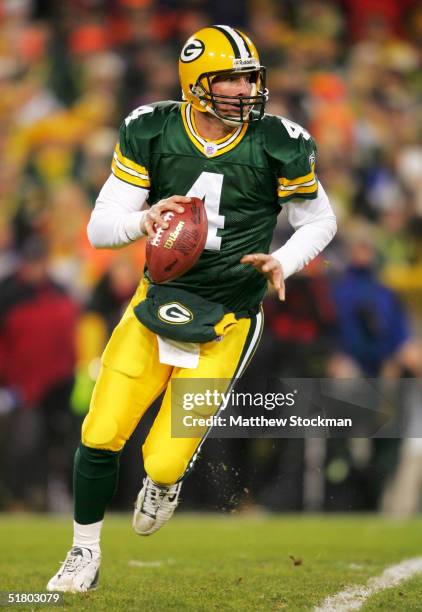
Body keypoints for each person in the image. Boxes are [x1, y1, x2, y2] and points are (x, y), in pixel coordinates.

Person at [47, 25, 337, 592]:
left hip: (228, 316)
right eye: (230, 77)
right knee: (102, 429)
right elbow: (101, 227)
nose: (244, 88)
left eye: (249, 77)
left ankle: (165, 480)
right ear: (195, 83)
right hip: (157, 301)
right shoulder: (152, 129)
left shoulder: (278, 141)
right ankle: (83, 551)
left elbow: (319, 220)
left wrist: (285, 260)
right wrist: (144, 219)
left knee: (161, 461)